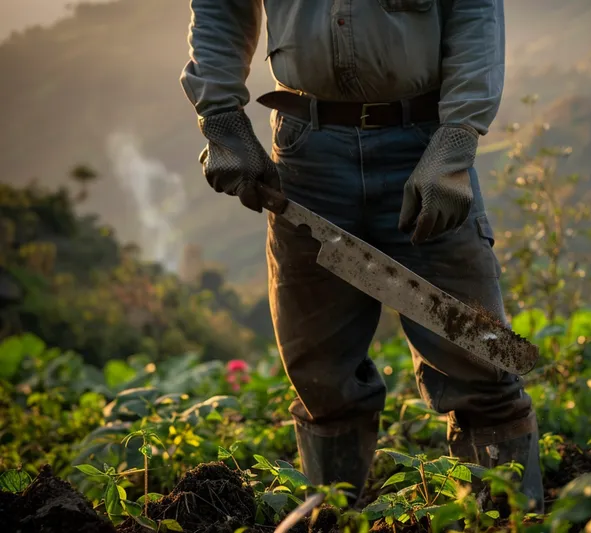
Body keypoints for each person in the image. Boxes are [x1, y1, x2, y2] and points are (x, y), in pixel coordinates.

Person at [180, 0, 545, 512]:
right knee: (320, 377)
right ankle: (333, 518)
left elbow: (474, 10)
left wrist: (457, 142)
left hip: (422, 145)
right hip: (309, 155)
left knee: (478, 362)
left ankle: (508, 521)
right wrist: (220, 117)